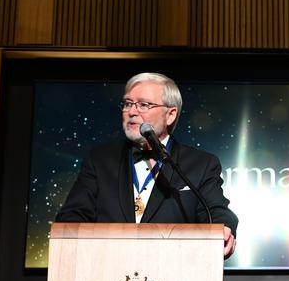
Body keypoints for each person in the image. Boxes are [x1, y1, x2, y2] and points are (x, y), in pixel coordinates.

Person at [56, 72, 237, 258]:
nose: (132, 112)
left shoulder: (201, 164)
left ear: (170, 115)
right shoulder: (100, 160)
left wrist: (224, 229)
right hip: (106, 270)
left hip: (172, 272)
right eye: (127, 104)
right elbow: (72, 217)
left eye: (144, 104)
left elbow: (216, 212)